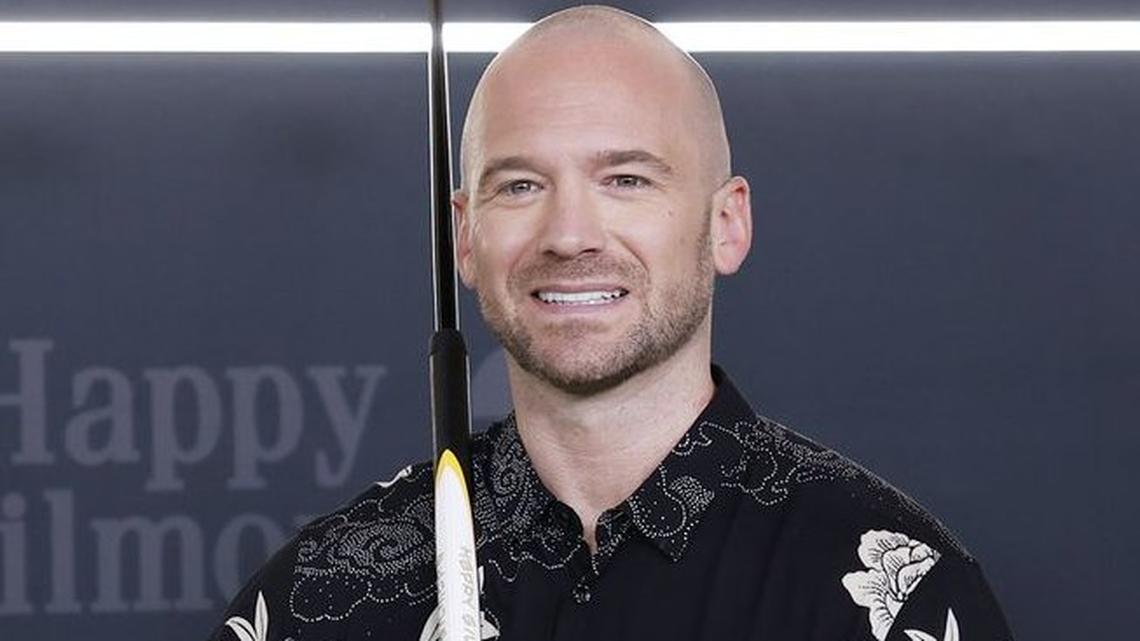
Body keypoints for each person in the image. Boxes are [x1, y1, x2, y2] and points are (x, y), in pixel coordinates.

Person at [209, 6, 1012, 641]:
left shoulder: (889, 592)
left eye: (625, 178)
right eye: (520, 186)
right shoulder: (323, 597)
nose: (569, 234)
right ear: (465, 235)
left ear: (727, 224)